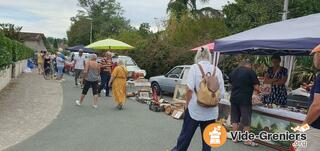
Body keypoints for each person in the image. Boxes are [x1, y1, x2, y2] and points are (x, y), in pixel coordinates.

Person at [171, 48, 225, 151]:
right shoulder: (217, 70)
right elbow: (221, 93)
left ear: (197, 56)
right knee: (207, 141)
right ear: (209, 57)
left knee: (186, 136)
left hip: (194, 109)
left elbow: (189, 89)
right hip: (211, 111)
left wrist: (187, 104)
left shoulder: (194, 68)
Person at [229, 59, 260, 147]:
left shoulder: (234, 71)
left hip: (234, 98)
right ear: (249, 65)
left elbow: (231, 84)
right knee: (246, 119)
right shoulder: (250, 72)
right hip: (245, 99)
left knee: (234, 118)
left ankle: (235, 138)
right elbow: (256, 86)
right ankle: (247, 140)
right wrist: (257, 92)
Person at [301, 44, 320, 151]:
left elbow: (317, 106)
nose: (314, 59)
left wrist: (304, 125)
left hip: (316, 129)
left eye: (315, 55)